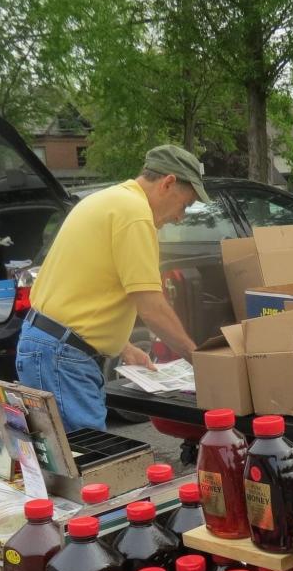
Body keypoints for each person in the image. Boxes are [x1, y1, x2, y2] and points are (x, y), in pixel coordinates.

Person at [16, 145, 206, 432]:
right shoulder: (135, 214)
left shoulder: (108, 200)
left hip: (48, 345)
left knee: (64, 464)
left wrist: (124, 346)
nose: (180, 217)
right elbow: (151, 308)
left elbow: (84, 288)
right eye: (185, 204)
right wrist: (201, 361)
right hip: (61, 356)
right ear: (168, 183)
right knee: (91, 462)